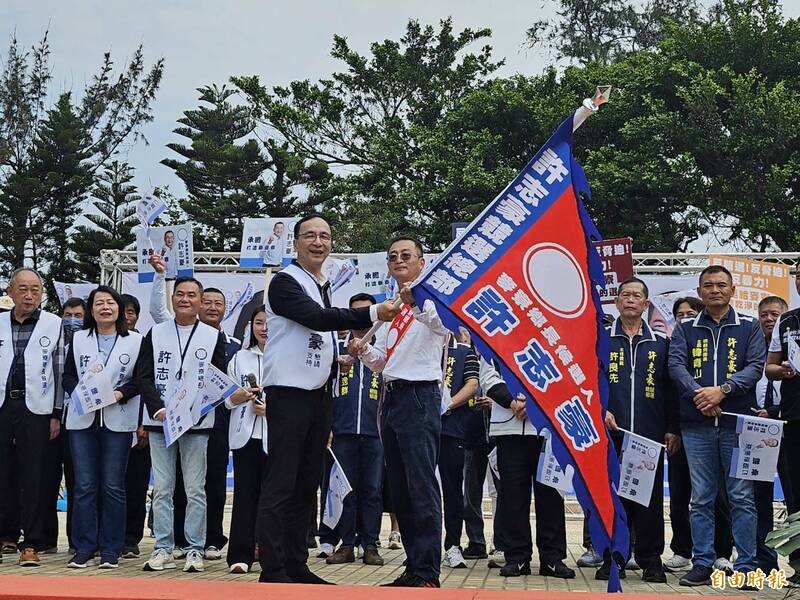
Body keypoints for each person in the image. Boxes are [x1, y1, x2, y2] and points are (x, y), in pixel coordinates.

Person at [256, 214, 397, 584]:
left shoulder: (322, 283)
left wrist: (338, 360)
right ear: (296, 243)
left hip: (320, 397)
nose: (319, 242)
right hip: (288, 395)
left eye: (325, 236)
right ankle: (273, 570)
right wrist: (372, 312)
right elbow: (316, 319)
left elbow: (313, 338)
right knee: (282, 483)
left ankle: (296, 564)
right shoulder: (285, 282)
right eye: (310, 236)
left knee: (306, 485)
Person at [351, 236, 451, 588]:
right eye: (392, 256)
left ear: (422, 262)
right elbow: (383, 363)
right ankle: (414, 564)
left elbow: (446, 329)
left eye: (406, 255)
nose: (398, 260)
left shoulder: (435, 299)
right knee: (402, 489)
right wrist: (362, 351)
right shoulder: (390, 308)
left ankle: (428, 571)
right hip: (391, 397)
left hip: (420, 397)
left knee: (421, 486)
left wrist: (418, 303)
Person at [138, 276, 252, 574]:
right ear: (172, 298)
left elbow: (216, 380)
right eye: (180, 294)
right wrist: (158, 408)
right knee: (162, 488)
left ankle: (194, 549)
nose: (185, 300)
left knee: (194, 489)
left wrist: (197, 410)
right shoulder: (156, 332)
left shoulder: (213, 337)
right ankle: (163, 547)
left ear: (200, 302)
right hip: (160, 421)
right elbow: (144, 375)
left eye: (192, 295)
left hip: (198, 422)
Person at [669, 264, 765, 587]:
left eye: (721, 285)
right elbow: (676, 365)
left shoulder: (749, 327)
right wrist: (701, 395)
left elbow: (756, 366)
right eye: (708, 285)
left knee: (741, 496)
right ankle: (703, 563)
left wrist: (721, 391)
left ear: (732, 290)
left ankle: (748, 565)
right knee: (702, 497)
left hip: (737, 423)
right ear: (699, 293)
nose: (715, 290)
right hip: (696, 424)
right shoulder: (684, 329)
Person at [601, 277, 679, 583]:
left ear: (646, 304)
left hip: (649, 434)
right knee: (612, 498)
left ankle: (650, 559)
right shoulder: (602, 341)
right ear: (617, 301)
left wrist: (671, 429)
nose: (631, 300)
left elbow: (671, 392)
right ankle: (614, 557)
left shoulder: (661, 343)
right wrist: (600, 411)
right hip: (612, 432)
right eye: (625, 295)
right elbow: (591, 383)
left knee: (649, 500)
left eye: (637, 296)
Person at [62, 286, 145, 569]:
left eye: (111, 302)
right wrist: (79, 394)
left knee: (113, 486)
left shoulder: (135, 341)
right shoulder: (78, 339)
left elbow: (139, 380)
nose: (105, 307)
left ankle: (111, 549)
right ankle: (84, 547)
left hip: (117, 419)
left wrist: (120, 394)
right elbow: (68, 376)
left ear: (119, 309)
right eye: (99, 303)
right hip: (82, 420)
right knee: (84, 485)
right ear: (91, 309)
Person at [484, 358, 575, 579]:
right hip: (509, 428)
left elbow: (566, 374)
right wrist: (513, 403)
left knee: (551, 495)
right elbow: (489, 378)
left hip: (549, 428)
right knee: (512, 496)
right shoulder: (497, 331)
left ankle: (552, 558)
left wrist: (537, 404)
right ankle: (517, 557)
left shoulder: (550, 334)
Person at [0, 268, 63, 567]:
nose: (29, 295)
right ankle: (6, 535)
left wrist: (56, 413)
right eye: (23, 289)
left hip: (37, 409)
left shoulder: (54, 324)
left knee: (35, 475)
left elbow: (60, 372)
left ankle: (33, 541)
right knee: (3, 472)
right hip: (2, 406)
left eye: (35, 289)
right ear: (10, 292)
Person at [321, 293, 385, 567]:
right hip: (342, 431)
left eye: (366, 312)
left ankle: (370, 544)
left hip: (376, 432)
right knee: (343, 489)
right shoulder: (335, 348)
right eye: (356, 312)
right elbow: (322, 388)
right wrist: (327, 425)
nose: (361, 318)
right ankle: (346, 544)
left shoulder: (383, 348)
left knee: (372, 490)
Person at [41, 297, 86, 555]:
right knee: (46, 479)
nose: (72, 320)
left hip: (78, 420)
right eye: (68, 314)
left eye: (78, 315)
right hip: (50, 417)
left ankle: (76, 540)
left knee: (78, 483)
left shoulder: (89, 343)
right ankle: (46, 539)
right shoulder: (50, 342)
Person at [226, 306, 268, 574]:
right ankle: (240, 555)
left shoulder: (287, 357)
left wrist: (271, 408)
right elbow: (226, 399)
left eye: (269, 323)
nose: (264, 328)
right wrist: (239, 397)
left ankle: (269, 552)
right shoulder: (239, 358)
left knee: (272, 499)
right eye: (259, 323)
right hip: (245, 436)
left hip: (276, 437)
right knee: (245, 496)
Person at [766, 264, 800, 585]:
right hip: (793, 417)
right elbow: (770, 367)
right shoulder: (786, 322)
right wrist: (784, 371)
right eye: (799, 275)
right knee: (795, 495)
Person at [750, 295, 788, 574]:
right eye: (763, 314)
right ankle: (764, 560)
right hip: (755, 432)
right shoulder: (749, 347)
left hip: (788, 430)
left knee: (793, 497)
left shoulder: (791, 350)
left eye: (775, 314)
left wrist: (774, 413)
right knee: (756, 499)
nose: (769, 319)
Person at [439, 331, 480, 569]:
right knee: (421, 488)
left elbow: (472, 384)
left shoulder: (465, 352)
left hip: (452, 430)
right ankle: (421, 545)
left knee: (453, 490)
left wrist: (446, 404)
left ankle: (452, 546)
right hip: (422, 430)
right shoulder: (425, 347)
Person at [120, 293, 151, 559]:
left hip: (139, 424)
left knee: (136, 484)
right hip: (107, 424)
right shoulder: (97, 341)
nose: (126, 317)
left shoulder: (144, 342)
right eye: (123, 311)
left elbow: (147, 385)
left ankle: (131, 538)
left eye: (131, 312)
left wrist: (144, 423)